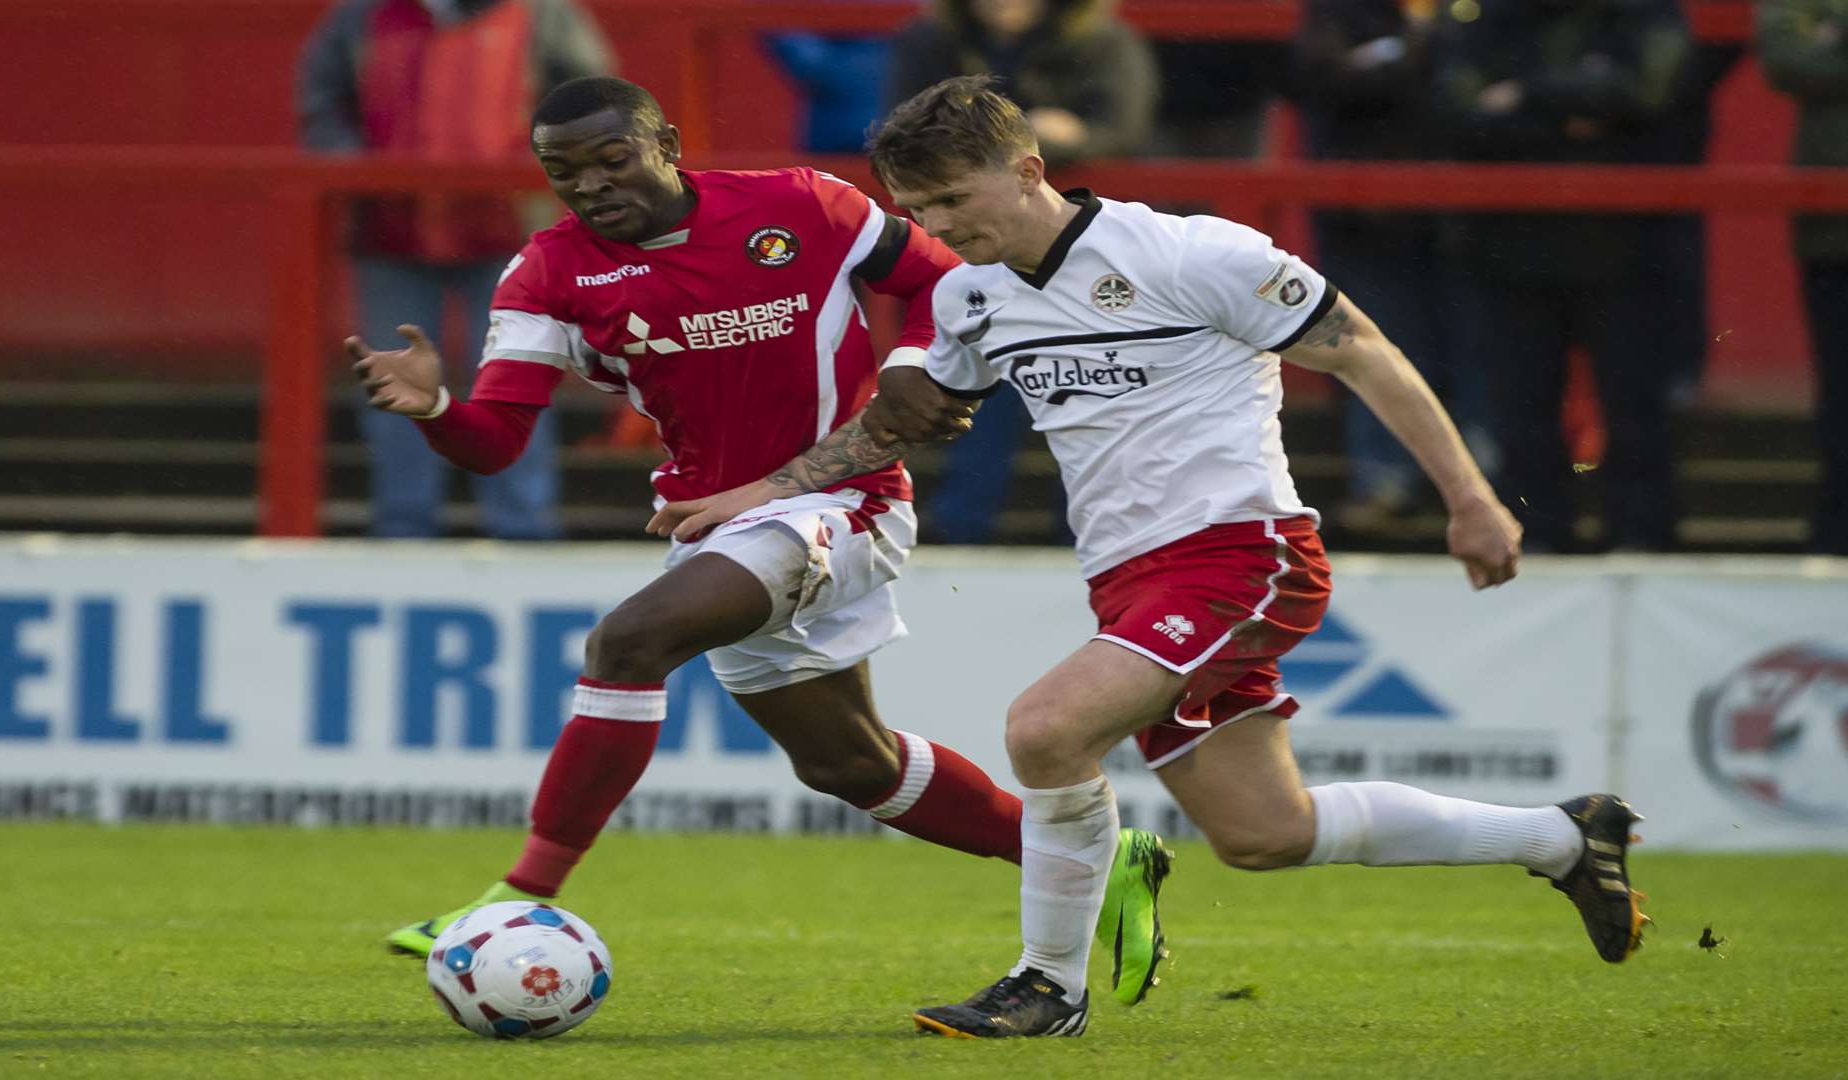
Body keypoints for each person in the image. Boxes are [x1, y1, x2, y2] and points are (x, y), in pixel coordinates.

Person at [653, 77, 1651, 1039]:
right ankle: (1562, 838)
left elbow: (1361, 349)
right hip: (1130, 580)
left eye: (955, 198)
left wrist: (1471, 500)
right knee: (1266, 833)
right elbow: (901, 423)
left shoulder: (1193, 253)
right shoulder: (973, 302)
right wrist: (761, 493)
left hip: (1241, 552)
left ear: (1029, 168)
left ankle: (1047, 986)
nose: (941, 225)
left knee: (1045, 732)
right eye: (918, 207)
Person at [347, 77, 1171, 1002]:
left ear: (666, 142)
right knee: (848, 764)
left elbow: (948, 278)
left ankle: (519, 893)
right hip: (715, 519)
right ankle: (1097, 865)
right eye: (562, 170)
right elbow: (495, 442)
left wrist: (905, 365)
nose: (590, 184)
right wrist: (438, 408)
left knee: (628, 643)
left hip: (844, 500)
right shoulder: (548, 272)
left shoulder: (798, 204)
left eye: (612, 158)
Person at [299, 0, 615, 539]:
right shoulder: (363, 15)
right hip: (389, 227)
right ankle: (402, 530)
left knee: (516, 383)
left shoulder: (541, 13)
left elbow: (596, 99)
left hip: (512, 229)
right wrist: (353, 164)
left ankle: (523, 530)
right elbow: (322, 99)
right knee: (391, 388)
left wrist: (547, 167)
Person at [888, 1, 1159, 546]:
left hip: (1082, 255)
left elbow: (1125, 124)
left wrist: (1069, 138)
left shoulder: (1104, 40)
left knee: (1089, 397)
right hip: (980, 259)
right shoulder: (929, 39)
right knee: (977, 392)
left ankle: (1082, 531)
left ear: (1027, 170)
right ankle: (963, 527)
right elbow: (903, 141)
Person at [1430, 0, 1693, 552]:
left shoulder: (1641, 13)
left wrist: (1525, 95)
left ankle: (1641, 537)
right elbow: (1454, 113)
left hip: (1626, 243)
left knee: (1634, 406)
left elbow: (1651, 95)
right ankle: (1535, 535)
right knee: (1521, 409)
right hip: (1509, 244)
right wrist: (1579, 112)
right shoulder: (1487, 18)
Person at [1293, 0, 1495, 533]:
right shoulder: (1343, 13)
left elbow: (1470, 98)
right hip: (1366, 211)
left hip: (1469, 211)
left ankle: (1484, 478)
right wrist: (1419, 50)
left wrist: (1403, 58)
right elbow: (1323, 80)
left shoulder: (1482, 15)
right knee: (1373, 343)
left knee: (1477, 348)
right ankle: (1386, 481)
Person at [1756, 0, 1848, 555]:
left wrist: (1840, 27)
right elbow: (1782, 59)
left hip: (1836, 219)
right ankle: (1844, 534)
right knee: (1844, 395)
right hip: (1837, 233)